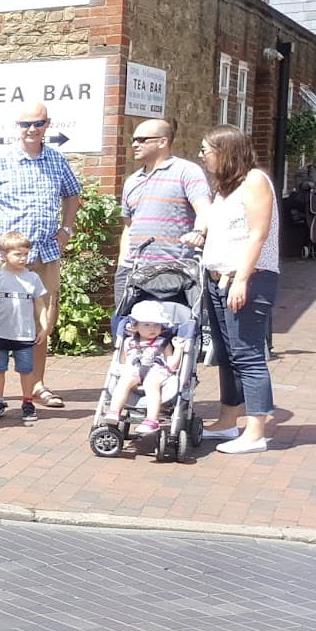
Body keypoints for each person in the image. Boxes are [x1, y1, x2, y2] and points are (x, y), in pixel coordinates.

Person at [0, 102, 82, 408]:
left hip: (44, 253)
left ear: (48, 124)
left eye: (38, 123)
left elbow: (73, 194)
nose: (31, 129)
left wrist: (66, 230)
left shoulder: (56, 160)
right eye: (25, 124)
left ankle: (37, 384)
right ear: (16, 127)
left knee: (43, 317)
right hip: (3, 256)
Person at [197, 124, 278, 455]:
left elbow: (258, 234)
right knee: (227, 355)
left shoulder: (256, 181)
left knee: (248, 354)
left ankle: (256, 430)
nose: (201, 155)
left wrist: (242, 278)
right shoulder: (224, 188)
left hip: (247, 278)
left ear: (226, 151)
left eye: (206, 149)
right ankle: (228, 420)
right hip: (217, 278)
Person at [115, 120, 210, 296]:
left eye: (143, 139)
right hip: (134, 271)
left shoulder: (187, 171)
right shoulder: (132, 181)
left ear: (163, 141)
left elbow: (204, 210)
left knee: (172, 323)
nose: (135, 144)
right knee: (128, 323)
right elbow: (129, 226)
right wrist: (123, 264)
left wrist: (198, 232)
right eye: (134, 139)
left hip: (175, 271)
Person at [0, 232, 49, 424]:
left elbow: (40, 304)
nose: (23, 258)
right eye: (18, 254)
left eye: (26, 254)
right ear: (4, 254)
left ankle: (27, 401)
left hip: (24, 335)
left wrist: (44, 327)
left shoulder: (32, 278)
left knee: (26, 370)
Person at [106, 300, 180, 434]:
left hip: (156, 372)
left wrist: (179, 349)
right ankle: (114, 411)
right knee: (123, 381)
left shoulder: (163, 343)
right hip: (134, 370)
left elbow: (172, 364)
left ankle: (151, 420)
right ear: (135, 326)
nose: (152, 328)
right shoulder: (129, 342)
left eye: (156, 324)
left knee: (151, 385)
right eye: (146, 324)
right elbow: (123, 361)